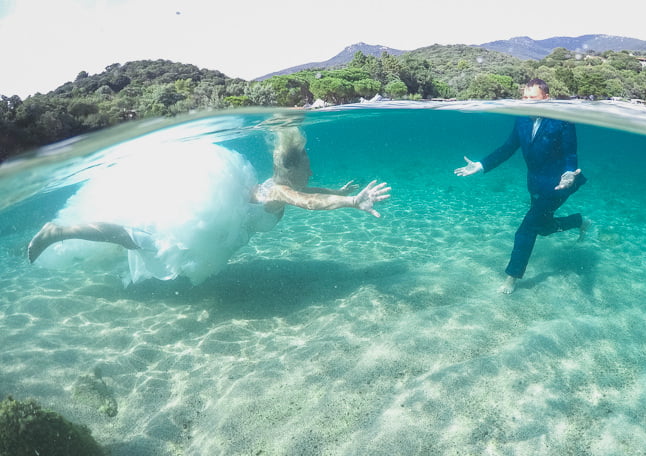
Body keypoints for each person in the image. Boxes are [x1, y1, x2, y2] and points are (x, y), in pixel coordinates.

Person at [27, 124, 391, 286]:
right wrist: (350, 202)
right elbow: (308, 202)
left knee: (137, 238)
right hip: (211, 224)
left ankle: (73, 242)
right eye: (308, 164)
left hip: (223, 222)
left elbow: (311, 190)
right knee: (136, 239)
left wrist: (338, 189)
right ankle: (59, 232)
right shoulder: (279, 193)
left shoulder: (280, 184)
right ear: (292, 169)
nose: (312, 168)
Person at [454, 79, 588, 294]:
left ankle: (511, 278)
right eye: (524, 98)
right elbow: (508, 148)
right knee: (542, 228)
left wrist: (569, 174)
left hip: (559, 185)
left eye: (532, 98)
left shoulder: (562, 120)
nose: (526, 102)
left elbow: (571, 154)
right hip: (535, 184)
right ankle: (579, 221)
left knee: (526, 230)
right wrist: (481, 165)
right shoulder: (522, 120)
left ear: (546, 98)